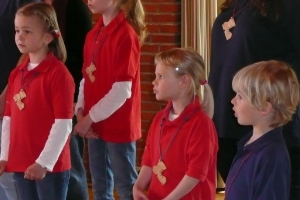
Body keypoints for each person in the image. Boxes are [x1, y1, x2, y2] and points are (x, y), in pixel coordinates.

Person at [209, 0, 300, 198]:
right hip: (226, 119)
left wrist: (270, 94)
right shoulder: (234, 5)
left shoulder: (288, 7)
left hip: (266, 121)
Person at [0, 2, 75, 200]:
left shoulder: (58, 74)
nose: (19, 36)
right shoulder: (16, 74)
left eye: (27, 31)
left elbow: (64, 124)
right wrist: (4, 157)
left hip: (49, 168)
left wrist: (43, 163)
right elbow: (8, 120)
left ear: (47, 38)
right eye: (17, 30)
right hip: (20, 162)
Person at [73, 0, 147, 199]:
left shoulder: (126, 35)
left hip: (117, 124)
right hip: (94, 124)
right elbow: (86, 79)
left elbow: (122, 90)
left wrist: (89, 118)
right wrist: (80, 111)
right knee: (100, 185)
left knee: (125, 186)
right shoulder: (92, 35)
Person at [132, 48, 218, 200]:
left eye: (161, 76)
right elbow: (149, 159)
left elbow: (195, 173)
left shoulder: (201, 124)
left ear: (183, 81)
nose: (154, 81)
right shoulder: (159, 119)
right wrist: (138, 186)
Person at [225, 60, 299, 200]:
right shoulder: (249, 144)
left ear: (264, 108)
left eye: (240, 96)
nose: (233, 101)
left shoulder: (271, 157)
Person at [43, 0, 92, 199]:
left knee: (70, 163)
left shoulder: (73, 7)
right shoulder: (29, 5)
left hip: (67, 96)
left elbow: (84, 58)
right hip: (40, 96)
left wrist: (75, 100)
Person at [0, 0, 40, 199]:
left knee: (9, 176)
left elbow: (31, 52)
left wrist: (8, 93)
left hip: (12, 96)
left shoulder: (27, 3)